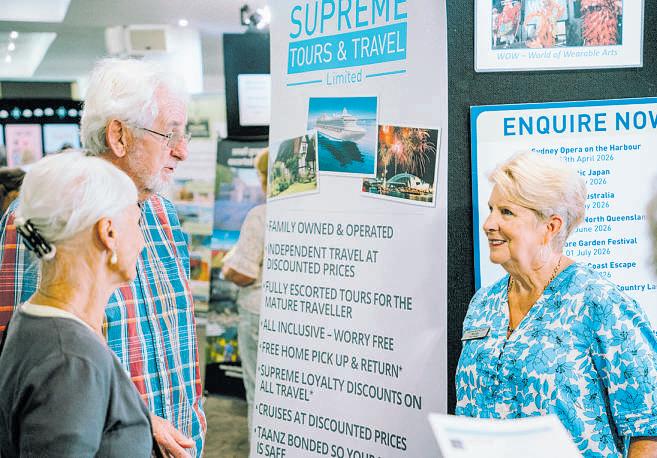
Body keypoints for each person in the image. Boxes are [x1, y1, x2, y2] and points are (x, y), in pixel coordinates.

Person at [0, 58, 205, 457]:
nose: (181, 151)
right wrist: (136, 418)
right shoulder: (49, 214)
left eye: (185, 135)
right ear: (119, 136)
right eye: (169, 134)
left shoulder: (163, 214)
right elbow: (27, 364)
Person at [455, 152, 657, 457]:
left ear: (550, 227)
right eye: (491, 209)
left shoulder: (601, 304)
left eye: (506, 212)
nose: (489, 223)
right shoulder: (484, 303)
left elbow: (649, 429)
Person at [0, 151, 152, 456]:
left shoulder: (33, 321)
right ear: (108, 232)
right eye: (137, 222)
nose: (142, 241)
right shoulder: (70, 361)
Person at [222, 148, 268, 436]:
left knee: (258, 391)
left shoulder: (260, 216)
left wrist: (227, 269)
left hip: (257, 313)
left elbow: (244, 273)